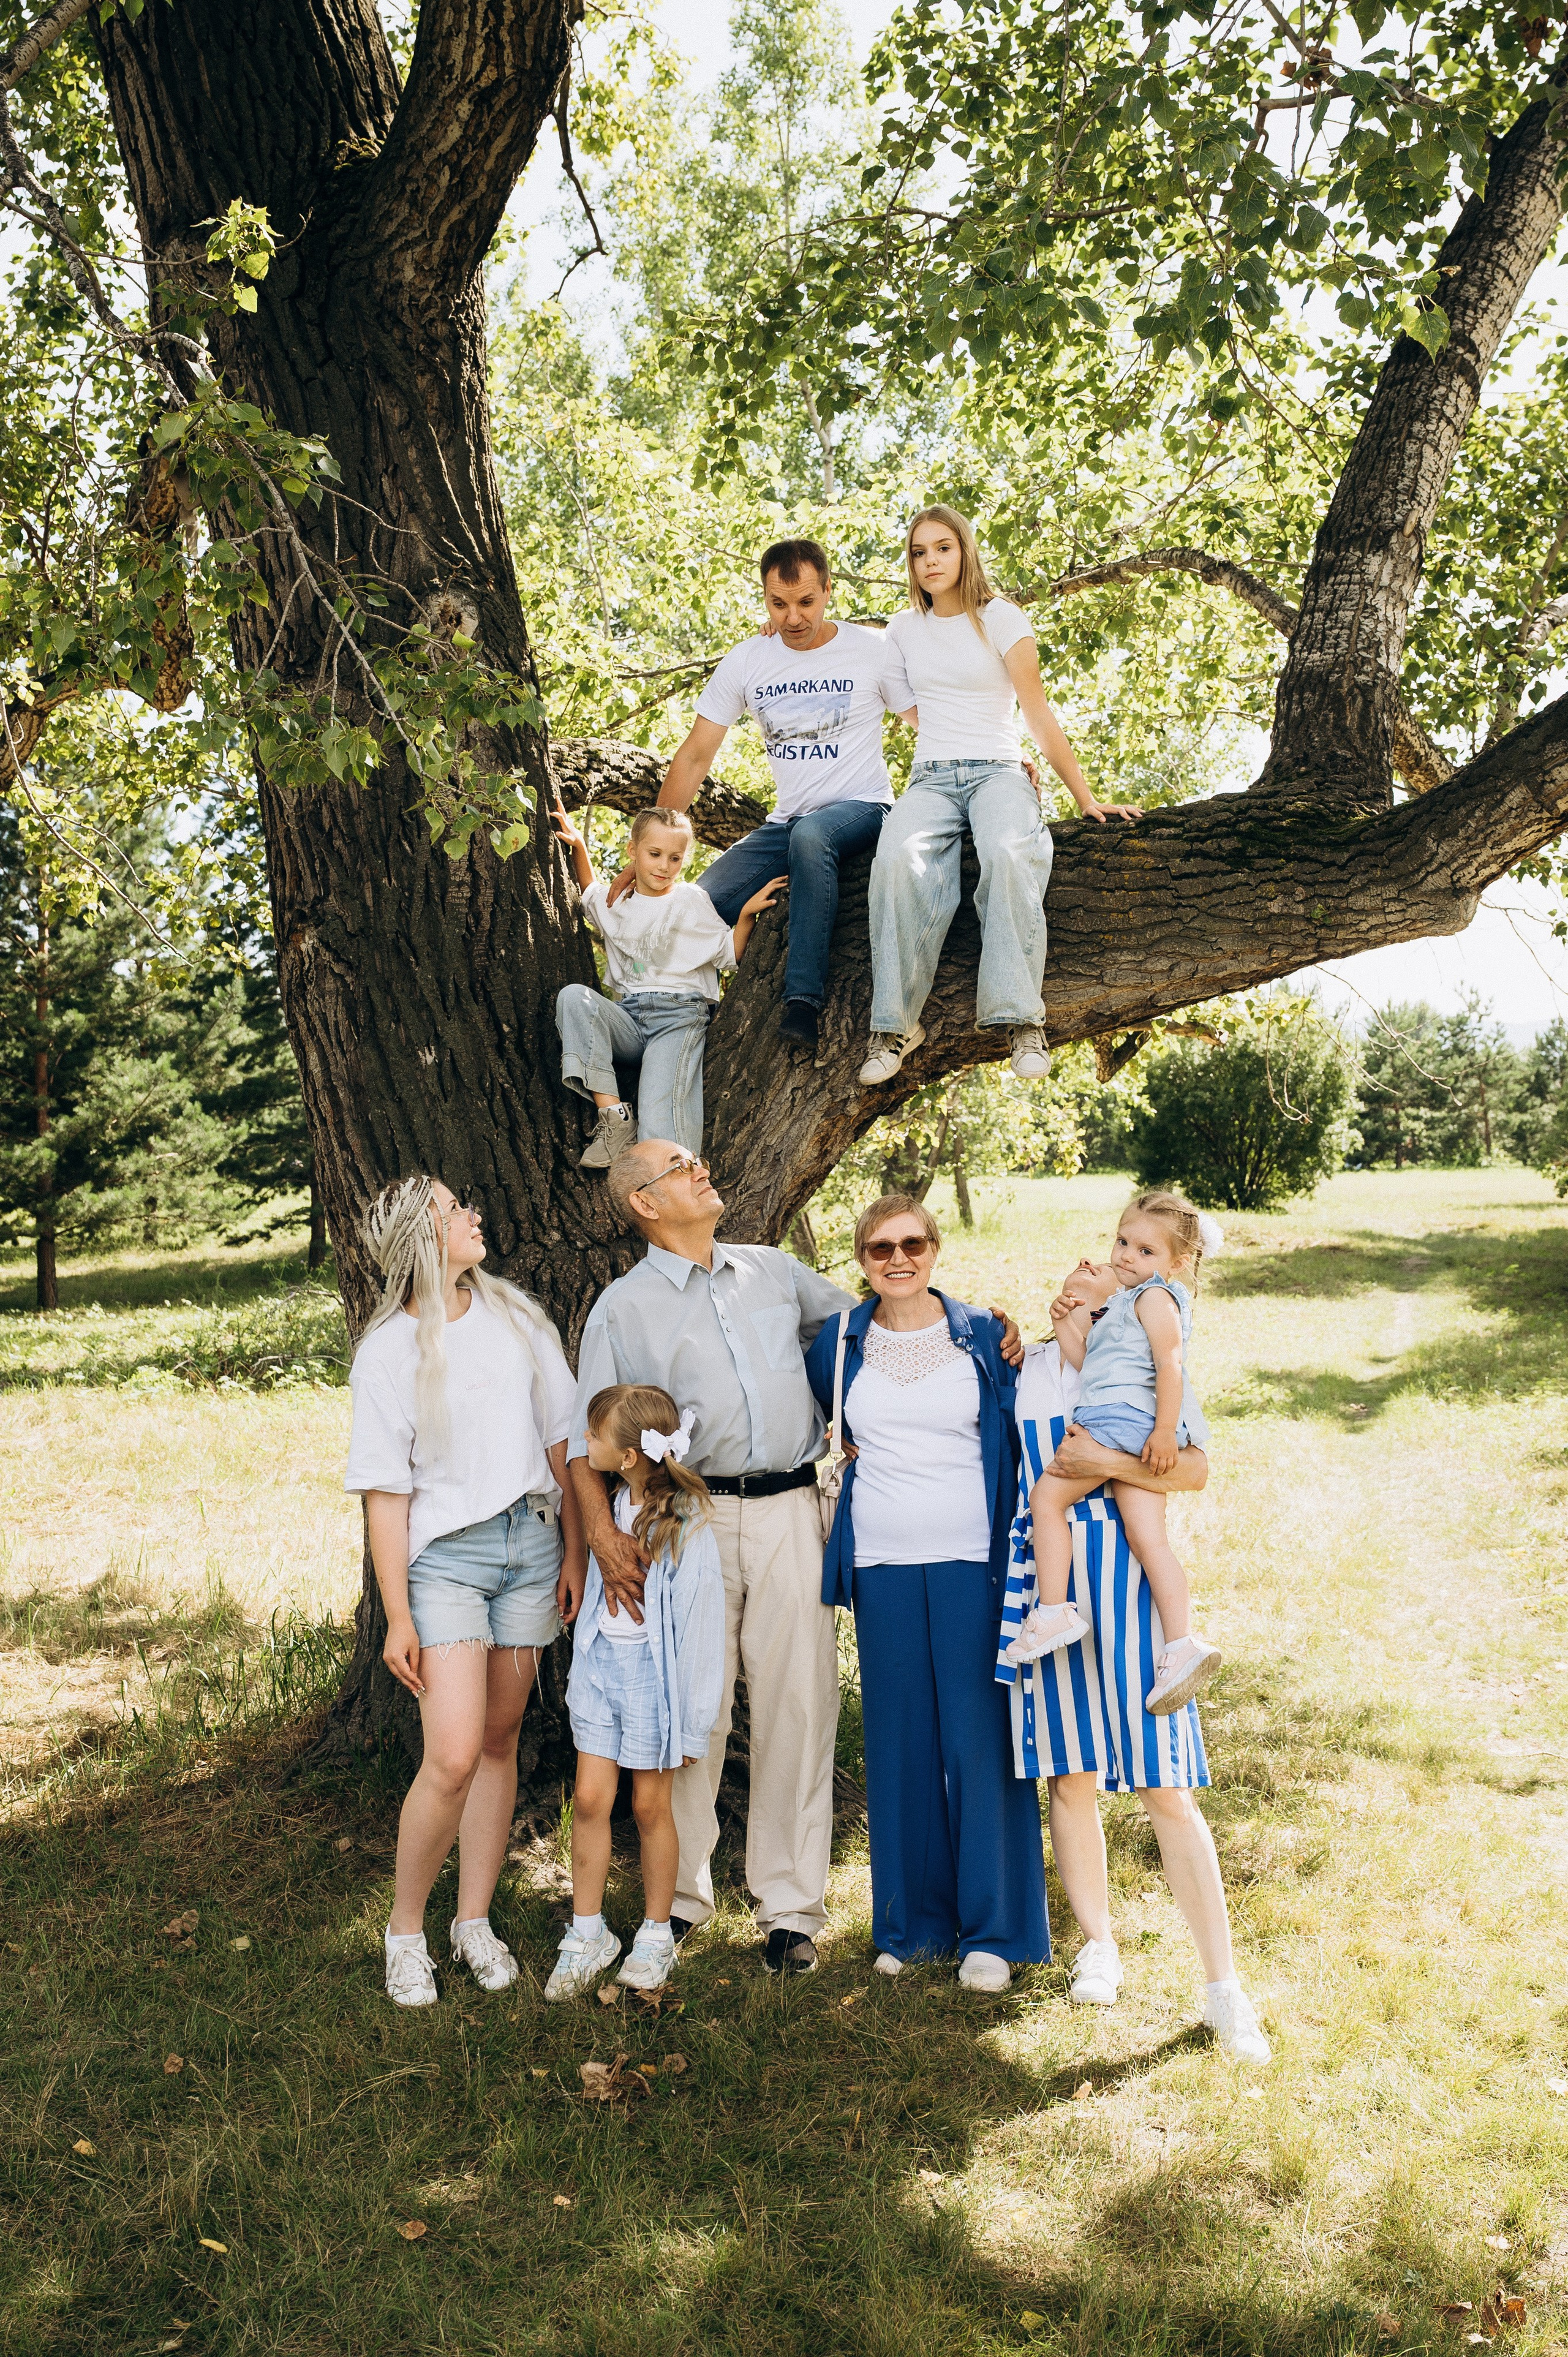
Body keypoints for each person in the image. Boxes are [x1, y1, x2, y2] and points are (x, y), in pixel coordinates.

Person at [566, 1140, 859, 1974]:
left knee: (798, 1706)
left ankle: (791, 1908)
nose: (701, 1168)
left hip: (792, 1509)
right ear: (645, 1204)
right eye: (678, 1167)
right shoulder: (623, 1309)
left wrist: (986, 1329)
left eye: (695, 1160)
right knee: (691, 1710)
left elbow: (869, 1327)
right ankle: (681, 1897)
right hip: (683, 1524)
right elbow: (579, 1439)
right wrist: (601, 1534)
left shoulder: (774, 1271)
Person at [998, 1292, 1272, 2063]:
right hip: (1049, 1585)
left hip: (1128, 1586)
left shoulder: (1137, 1365)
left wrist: (1103, 1462)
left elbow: (1193, 1469)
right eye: (1079, 1272)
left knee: (1164, 1785)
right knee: (1070, 1773)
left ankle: (1223, 1985)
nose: (1088, 1281)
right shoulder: (1020, 1369)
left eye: (1105, 1278)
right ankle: (1098, 1944)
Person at [344, 1174, 586, 2008]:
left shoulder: (517, 1319)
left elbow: (564, 1443)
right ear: (421, 1237)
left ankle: (472, 1920)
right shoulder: (387, 1354)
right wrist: (398, 1615)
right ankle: (405, 1933)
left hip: (531, 1545)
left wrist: (576, 1551)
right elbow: (385, 1492)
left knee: (497, 1739)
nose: (475, 1215)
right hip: (446, 1564)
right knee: (449, 1754)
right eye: (455, 1210)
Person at [805, 1196, 1043, 1989]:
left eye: (912, 1243)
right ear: (862, 1260)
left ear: (935, 1249)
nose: (897, 1258)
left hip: (973, 1560)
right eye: (880, 1248)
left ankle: (995, 1933)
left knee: (981, 1746)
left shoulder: (982, 1336)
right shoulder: (838, 1346)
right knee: (900, 1746)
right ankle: (911, 1929)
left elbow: (1022, 1428)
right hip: (880, 1563)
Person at [860, 505, 1138, 1089]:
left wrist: (1084, 797)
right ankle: (894, 1027)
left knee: (1011, 853)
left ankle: (1021, 1022)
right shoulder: (903, 630)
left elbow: (1037, 713)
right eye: (919, 552)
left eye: (942, 547)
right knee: (893, 861)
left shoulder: (1001, 617)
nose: (931, 561)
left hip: (999, 773)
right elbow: (908, 703)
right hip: (932, 777)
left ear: (964, 550)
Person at [650, 538, 900, 1056]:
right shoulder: (748, 660)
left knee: (813, 835)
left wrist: (998, 759)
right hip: (786, 823)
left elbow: (933, 717)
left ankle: (803, 1002)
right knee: (694, 907)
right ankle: (677, 1027)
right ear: (764, 598)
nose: (792, 618)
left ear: (829, 591)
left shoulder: (873, 650)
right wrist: (645, 842)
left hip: (864, 809)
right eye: (778, 604)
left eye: (806, 602)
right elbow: (696, 754)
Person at [546, 1385, 726, 2001]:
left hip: (657, 1684)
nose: (584, 1444)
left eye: (593, 1437)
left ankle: (655, 1933)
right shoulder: (614, 1506)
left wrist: (694, 1719)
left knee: (651, 1807)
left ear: (625, 1455)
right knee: (592, 1798)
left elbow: (701, 1625)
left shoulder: (685, 1521)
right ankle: (588, 1930)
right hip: (602, 1669)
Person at [1010, 1193, 1221, 1713]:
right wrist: (1063, 1324)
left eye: (1146, 1250)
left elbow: (1171, 1365)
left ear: (1178, 1263)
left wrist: (1165, 1431)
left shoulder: (1154, 1299)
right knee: (1149, 1538)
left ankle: (1055, 1609)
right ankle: (1181, 1645)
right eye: (1123, 1242)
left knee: (1047, 1500)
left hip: (1119, 1424)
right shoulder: (1122, 1308)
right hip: (1128, 1421)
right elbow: (1090, 1368)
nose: (1127, 1256)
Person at [552, 799, 785, 1169]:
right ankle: (614, 1120)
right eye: (655, 854)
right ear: (633, 852)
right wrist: (579, 845)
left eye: (674, 858)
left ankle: (671, 1186)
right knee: (574, 999)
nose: (664, 866)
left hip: (678, 1018)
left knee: (660, 1119)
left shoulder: (691, 900)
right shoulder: (616, 903)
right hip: (628, 1018)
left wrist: (743, 917)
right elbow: (589, 890)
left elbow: (729, 954)